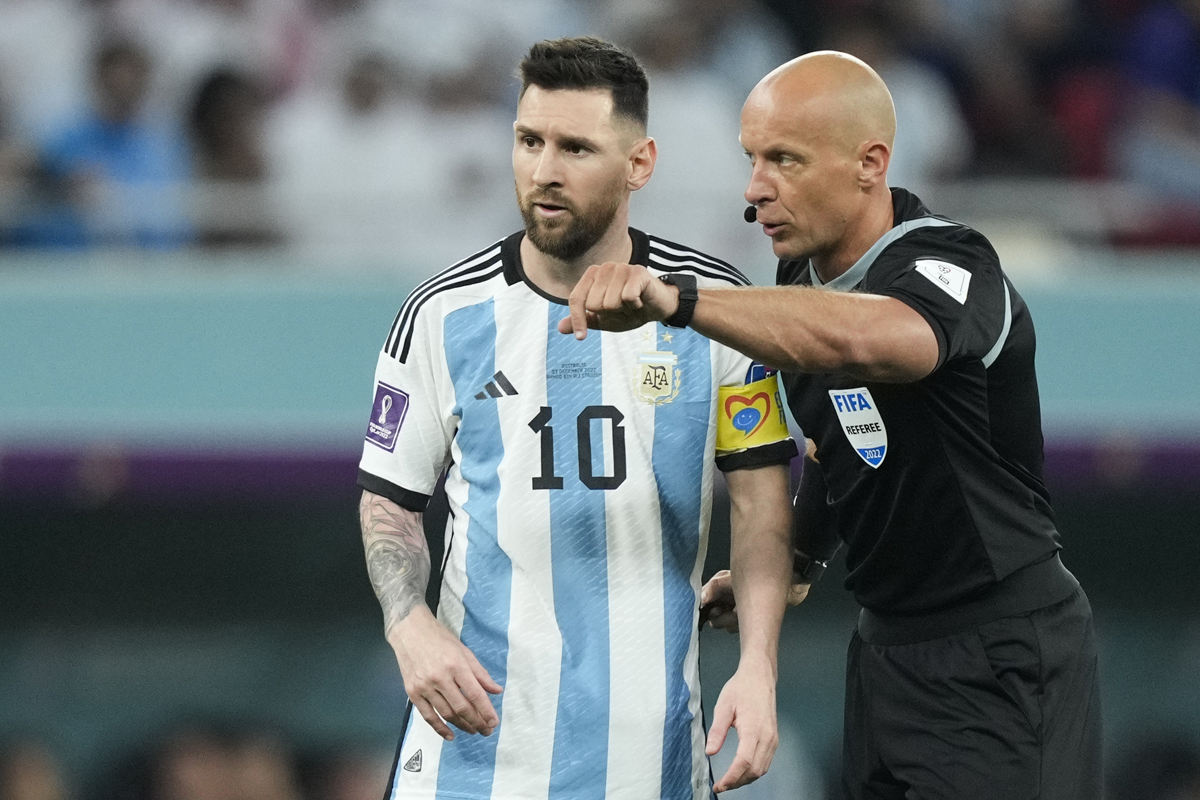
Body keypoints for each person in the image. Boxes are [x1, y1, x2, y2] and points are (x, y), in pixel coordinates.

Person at [559, 50, 1103, 800]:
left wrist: (676, 299)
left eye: (783, 159)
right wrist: (798, 561)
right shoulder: (798, 280)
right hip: (886, 651)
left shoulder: (951, 263)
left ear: (869, 163)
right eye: (752, 158)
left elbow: (875, 342)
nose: (756, 189)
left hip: (1002, 650)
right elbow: (842, 440)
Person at [356, 37, 798, 799]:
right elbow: (390, 504)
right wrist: (408, 624)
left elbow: (762, 505)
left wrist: (758, 667)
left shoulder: (715, 309)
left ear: (640, 163)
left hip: (645, 755)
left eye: (576, 147)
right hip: (472, 753)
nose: (545, 169)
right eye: (529, 141)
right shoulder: (441, 316)